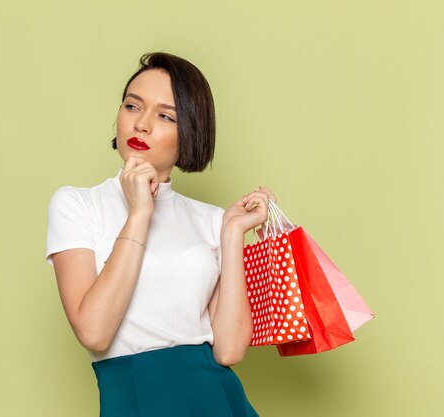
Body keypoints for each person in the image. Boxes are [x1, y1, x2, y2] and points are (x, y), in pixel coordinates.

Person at [45, 52, 277, 417]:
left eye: (166, 115)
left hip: (218, 398)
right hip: (137, 398)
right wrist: (139, 213)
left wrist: (232, 234)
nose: (142, 125)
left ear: (190, 133)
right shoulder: (77, 205)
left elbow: (229, 351)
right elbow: (94, 332)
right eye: (133, 106)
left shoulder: (210, 219)